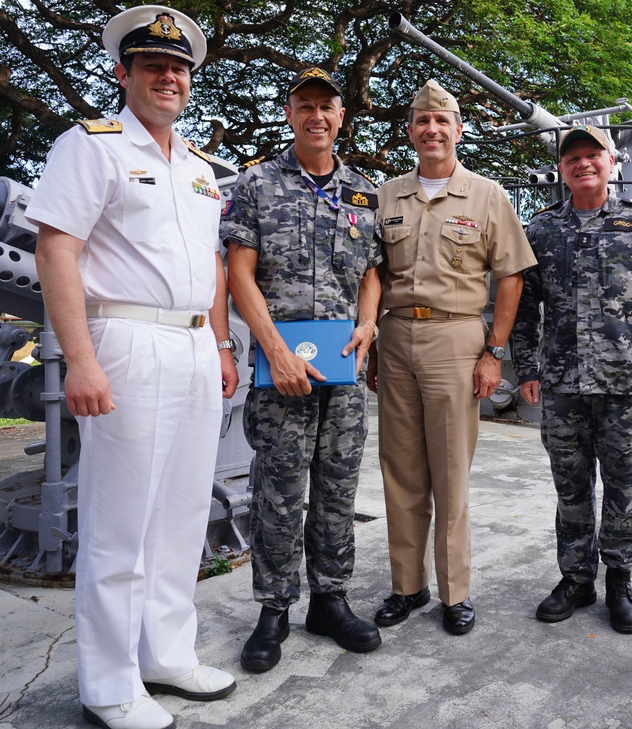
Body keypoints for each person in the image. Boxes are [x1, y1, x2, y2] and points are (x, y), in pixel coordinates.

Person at [27, 6, 239, 729]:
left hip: (190, 348)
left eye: (179, 68)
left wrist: (218, 344)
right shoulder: (93, 147)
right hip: (125, 339)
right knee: (121, 523)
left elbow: (210, 267)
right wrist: (79, 358)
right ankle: (110, 683)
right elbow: (57, 249)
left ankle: (166, 654)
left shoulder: (200, 168)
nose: (169, 77)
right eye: (153, 65)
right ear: (124, 73)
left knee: (180, 516)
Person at [224, 67, 383, 672]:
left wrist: (369, 324)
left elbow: (372, 272)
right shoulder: (257, 183)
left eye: (327, 106)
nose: (316, 116)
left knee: (337, 489)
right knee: (279, 489)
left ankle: (330, 599)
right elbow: (240, 273)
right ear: (289, 113)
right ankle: (273, 608)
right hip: (280, 371)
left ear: (342, 116)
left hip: (341, 373)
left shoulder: (363, 193)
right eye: (304, 105)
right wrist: (275, 352)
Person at [370, 80, 536, 635]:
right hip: (394, 339)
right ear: (411, 130)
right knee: (401, 471)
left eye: (443, 122)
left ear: (458, 130)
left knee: (450, 476)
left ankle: (455, 592)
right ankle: (407, 586)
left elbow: (510, 278)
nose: (432, 130)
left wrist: (493, 352)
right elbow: (374, 274)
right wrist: (372, 344)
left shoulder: (487, 195)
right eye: (423, 121)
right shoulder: (386, 195)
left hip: (456, 340)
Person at [512, 124, 632, 634]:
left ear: (611, 162)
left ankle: (619, 579)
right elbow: (524, 309)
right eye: (572, 159)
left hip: (625, 386)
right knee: (570, 488)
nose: (583, 164)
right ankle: (576, 579)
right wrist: (526, 369)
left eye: (592, 156)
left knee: (623, 487)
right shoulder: (541, 230)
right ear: (562, 169)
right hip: (563, 385)